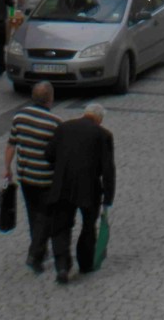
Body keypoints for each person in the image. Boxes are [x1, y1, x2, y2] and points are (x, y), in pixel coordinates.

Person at [45, 102, 116, 284]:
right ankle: (85, 263)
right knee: (88, 226)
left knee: (61, 226)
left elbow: (49, 154)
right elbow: (108, 169)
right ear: (99, 119)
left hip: (62, 185)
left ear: (85, 113)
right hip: (89, 188)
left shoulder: (63, 128)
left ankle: (62, 266)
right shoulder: (103, 135)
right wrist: (108, 196)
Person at [4, 81, 61, 274]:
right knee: (45, 217)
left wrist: (7, 168)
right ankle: (35, 254)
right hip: (45, 177)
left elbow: (11, 144)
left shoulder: (19, 117)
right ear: (50, 98)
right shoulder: (54, 123)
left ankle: (39, 249)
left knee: (32, 213)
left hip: (25, 175)